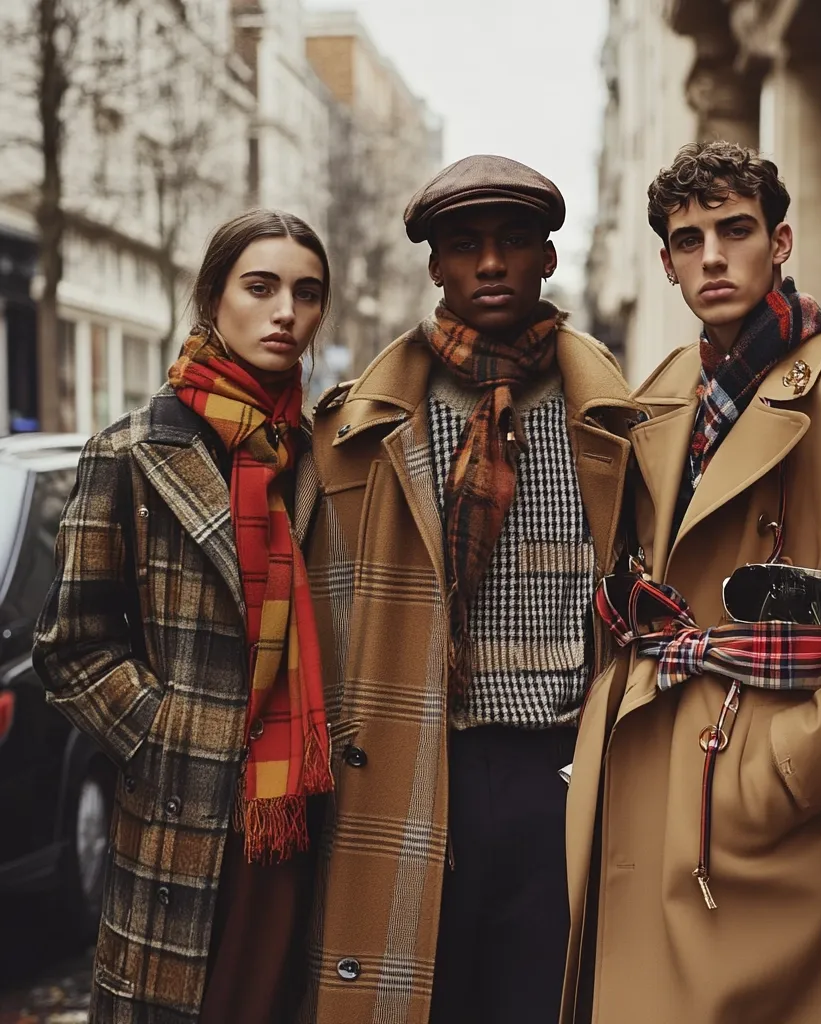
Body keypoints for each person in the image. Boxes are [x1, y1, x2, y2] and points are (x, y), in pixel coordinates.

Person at [560, 141, 821, 1024]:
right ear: (668, 263)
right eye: (687, 239)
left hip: (798, 797)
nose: (712, 256)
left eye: (735, 230)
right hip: (667, 765)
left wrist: (794, 766)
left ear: (779, 243)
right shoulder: (666, 390)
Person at [299, 154, 636, 1024]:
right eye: (466, 244)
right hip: (419, 767)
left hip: (566, 769)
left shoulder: (621, 422)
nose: (491, 263)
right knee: (423, 1001)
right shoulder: (355, 431)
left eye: (514, 241)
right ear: (436, 266)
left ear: (548, 259)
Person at [33, 209, 333, 1024]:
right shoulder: (130, 452)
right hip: (180, 813)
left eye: (307, 295)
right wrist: (167, 734)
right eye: (260, 287)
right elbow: (71, 647)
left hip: (295, 816)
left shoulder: (318, 457)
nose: (285, 314)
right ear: (212, 298)